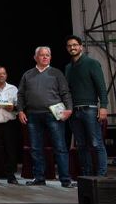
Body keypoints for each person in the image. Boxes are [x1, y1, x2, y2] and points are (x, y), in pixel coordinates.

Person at [17, 46, 74, 187]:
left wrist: (69, 109)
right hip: (33, 116)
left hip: (53, 115)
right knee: (36, 148)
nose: (44, 57)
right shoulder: (28, 74)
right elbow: (21, 94)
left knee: (60, 147)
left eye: (47, 55)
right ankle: (39, 178)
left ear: (50, 57)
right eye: (42, 55)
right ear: (35, 57)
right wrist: (20, 111)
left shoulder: (56, 73)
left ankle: (65, 180)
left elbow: (65, 93)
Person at [65, 35, 109, 177]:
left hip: (90, 109)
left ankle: (101, 176)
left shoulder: (92, 63)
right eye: (69, 46)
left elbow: (101, 86)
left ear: (81, 46)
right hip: (75, 111)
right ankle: (87, 176)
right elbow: (68, 91)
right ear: (67, 48)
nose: (72, 47)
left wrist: (103, 106)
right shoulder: (68, 68)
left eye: (75, 45)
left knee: (96, 144)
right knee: (82, 145)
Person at [0, 66, 19, 184]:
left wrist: (13, 107)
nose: (2, 76)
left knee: (10, 150)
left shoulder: (13, 89)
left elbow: (19, 105)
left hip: (9, 123)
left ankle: (11, 175)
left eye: (4, 73)